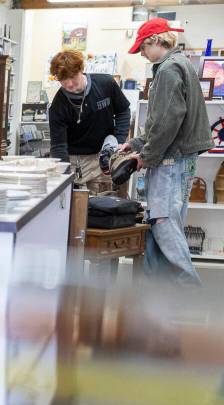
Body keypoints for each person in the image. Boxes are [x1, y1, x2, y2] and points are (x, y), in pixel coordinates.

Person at [119, 18, 211, 286]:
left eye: (143, 49)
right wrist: (135, 145)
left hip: (171, 159)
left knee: (163, 222)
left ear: (157, 41)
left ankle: (189, 286)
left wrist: (145, 157)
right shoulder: (181, 65)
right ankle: (158, 290)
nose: (143, 55)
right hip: (181, 158)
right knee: (164, 221)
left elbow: (166, 122)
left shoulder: (169, 70)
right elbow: (164, 120)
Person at [47, 50, 132, 191]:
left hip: (104, 157)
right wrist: (64, 177)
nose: (69, 84)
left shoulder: (106, 84)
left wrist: (118, 140)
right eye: (63, 80)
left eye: (73, 77)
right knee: (76, 208)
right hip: (75, 161)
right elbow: (58, 146)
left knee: (106, 205)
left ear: (81, 69)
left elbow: (123, 111)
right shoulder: (58, 105)